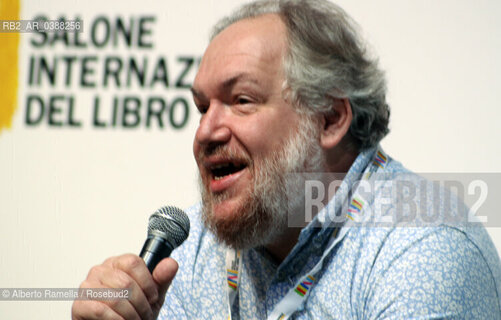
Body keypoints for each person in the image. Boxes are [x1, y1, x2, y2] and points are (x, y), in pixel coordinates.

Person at [72, 0, 501, 319]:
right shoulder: (192, 251)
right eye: (203, 108)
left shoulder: (422, 250)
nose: (205, 132)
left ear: (330, 119)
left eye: (241, 100)